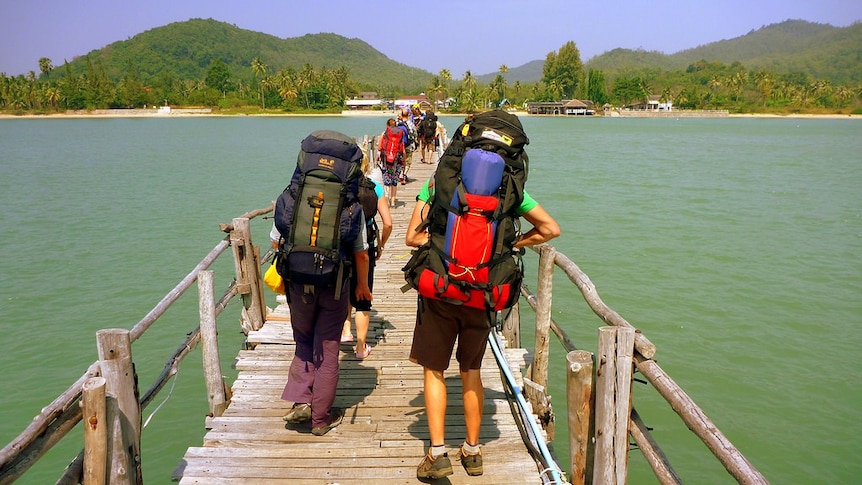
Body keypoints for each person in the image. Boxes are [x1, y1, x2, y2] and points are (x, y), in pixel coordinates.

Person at [404, 153, 561, 478]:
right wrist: (511, 245)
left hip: (441, 291)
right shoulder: (509, 191)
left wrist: (444, 245)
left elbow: (412, 238)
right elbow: (550, 229)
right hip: (483, 293)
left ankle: (436, 453)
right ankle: (473, 452)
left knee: (434, 370)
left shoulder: (437, 185)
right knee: (471, 369)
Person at [273, 135, 374, 437]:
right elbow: (361, 252)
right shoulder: (350, 204)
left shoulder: (292, 197)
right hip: (334, 283)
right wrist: (363, 287)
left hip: (296, 281)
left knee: (304, 341)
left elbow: (276, 238)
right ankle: (320, 419)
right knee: (328, 349)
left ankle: (303, 399)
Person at [342, 152, 393, 359]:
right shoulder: (375, 188)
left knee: (345, 287)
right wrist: (380, 244)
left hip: (343, 247)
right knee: (363, 296)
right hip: (367, 246)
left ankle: (346, 330)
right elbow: (388, 223)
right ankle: (361, 348)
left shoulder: (341, 188)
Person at [378, 118, 405, 207]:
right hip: (397, 162)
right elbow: (403, 150)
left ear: (387, 125)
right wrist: (403, 162)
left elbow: (379, 148)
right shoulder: (400, 134)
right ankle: (393, 202)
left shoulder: (384, 134)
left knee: (386, 181)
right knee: (394, 182)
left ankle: (386, 200)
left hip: (386, 161)